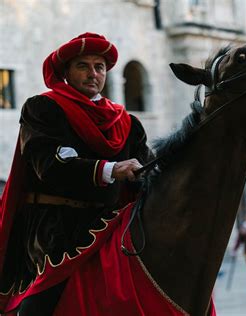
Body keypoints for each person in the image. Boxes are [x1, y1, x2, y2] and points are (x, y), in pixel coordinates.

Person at [0, 33, 154, 315]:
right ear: (66, 73)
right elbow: (49, 166)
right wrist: (112, 169)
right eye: (83, 66)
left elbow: (149, 174)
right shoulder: (44, 109)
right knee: (41, 304)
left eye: (100, 67)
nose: (93, 74)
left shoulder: (128, 122)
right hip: (54, 229)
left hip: (113, 226)